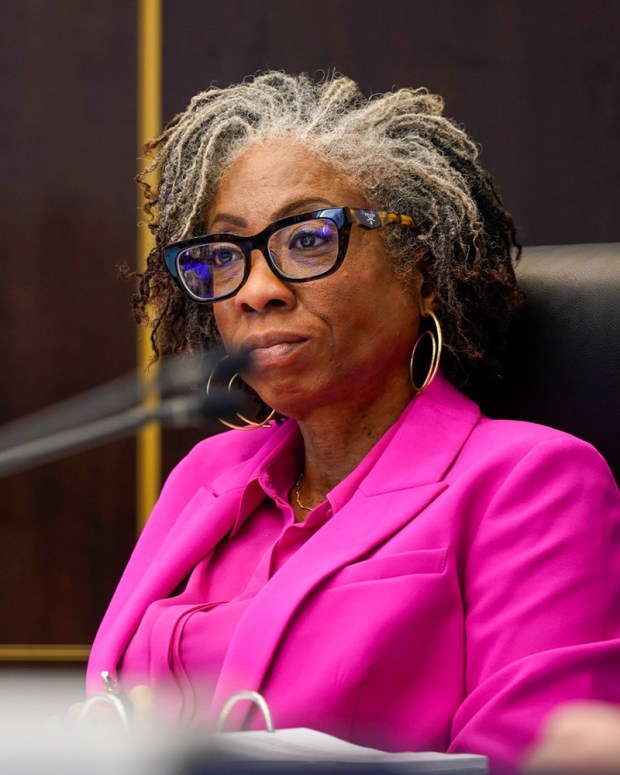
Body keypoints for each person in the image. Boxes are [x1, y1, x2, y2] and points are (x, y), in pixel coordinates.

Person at [87, 72, 620, 772]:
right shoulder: (207, 479)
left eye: (308, 240)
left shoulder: (531, 482)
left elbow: (544, 761)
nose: (257, 290)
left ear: (423, 272)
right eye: (224, 254)